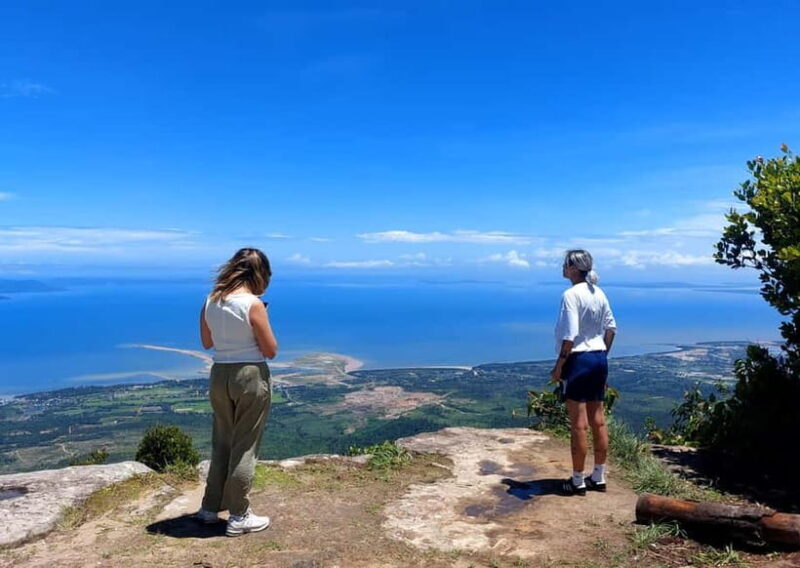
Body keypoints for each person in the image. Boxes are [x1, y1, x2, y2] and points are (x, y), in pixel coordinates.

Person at [195, 248, 279, 536]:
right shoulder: (253, 304)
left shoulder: (211, 301)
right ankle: (239, 515)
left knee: (222, 440)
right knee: (245, 445)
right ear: (259, 274)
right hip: (249, 376)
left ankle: (209, 508)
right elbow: (270, 350)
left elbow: (207, 342)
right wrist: (260, 319)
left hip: (219, 375)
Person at [551, 249, 617, 496]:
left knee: (579, 424)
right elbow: (611, 329)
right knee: (598, 420)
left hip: (578, 360)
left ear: (573, 268)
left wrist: (559, 366)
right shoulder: (599, 293)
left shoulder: (570, 295)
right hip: (598, 357)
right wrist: (602, 355)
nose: (562, 267)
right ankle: (598, 476)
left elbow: (569, 335)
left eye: (565, 264)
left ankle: (577, 480)